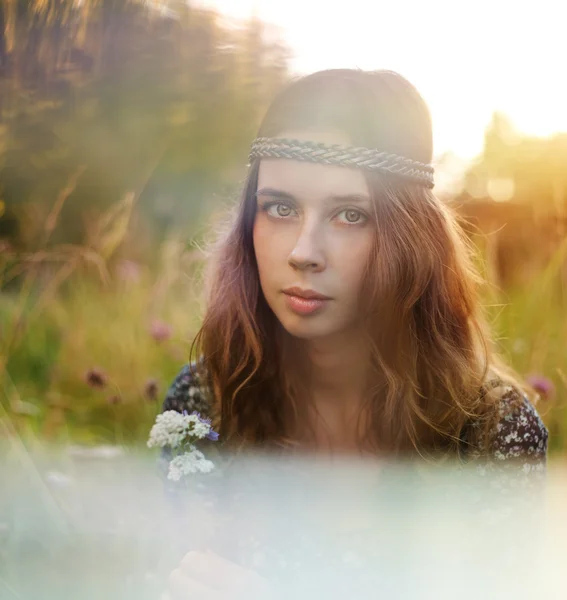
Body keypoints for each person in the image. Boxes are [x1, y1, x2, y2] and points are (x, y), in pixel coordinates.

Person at [158, 68, 548, 599]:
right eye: (280, 208)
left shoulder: (487, 434)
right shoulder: (207, 400)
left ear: (410, 239)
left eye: (349, 215)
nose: (302, 251)